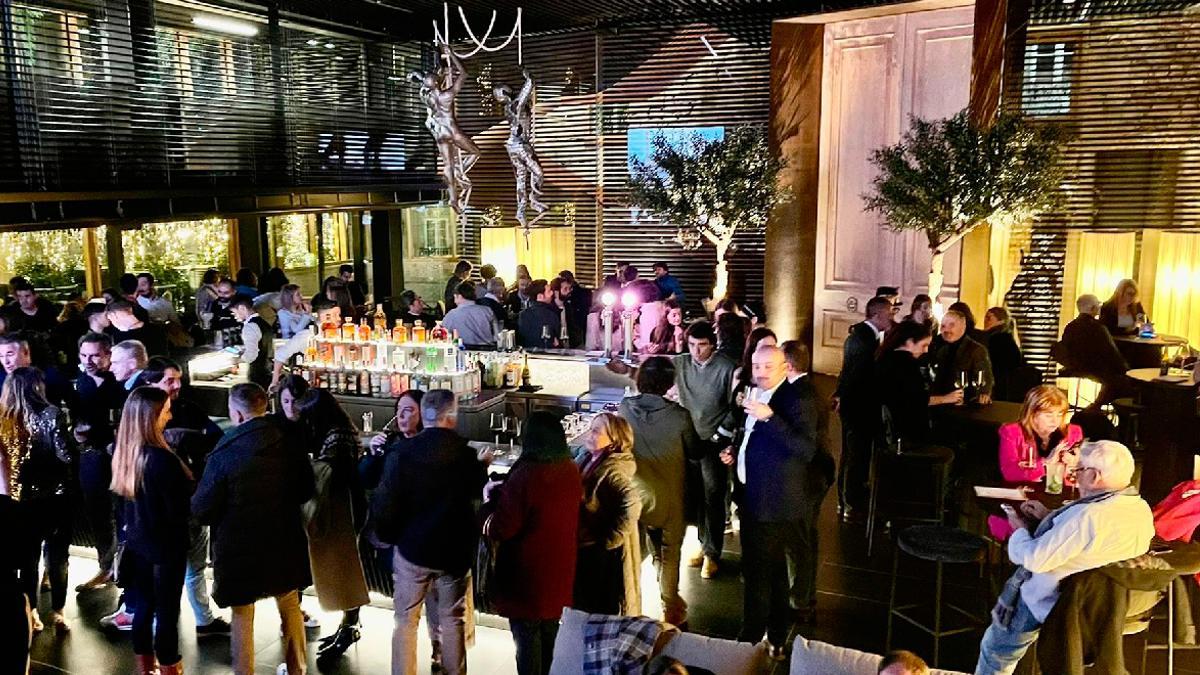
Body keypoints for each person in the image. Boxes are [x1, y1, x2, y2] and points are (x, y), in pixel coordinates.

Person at [974, 440, 1153, 674]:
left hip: (1051, 598)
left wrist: (1018, 528)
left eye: (1079, 471)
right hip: (1098, 605)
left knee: (996, 650)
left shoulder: (1088, 516)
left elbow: (1032, 558)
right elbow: (1088, 545)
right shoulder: (1140, 509)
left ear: (1095, 475)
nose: (1076, 477)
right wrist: (1050, 517)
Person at [192, 383, 315, 675]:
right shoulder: (288, 441)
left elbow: (203, 507)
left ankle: (244, 671)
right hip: (284, 539)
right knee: (289, 602)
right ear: (265, 405)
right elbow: (306, 489)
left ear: (235, 412)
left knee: (242, 612)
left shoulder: (225, 451)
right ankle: (297, 667)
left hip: (239, 546)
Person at [372, 389, 487, 675]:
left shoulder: (402, 453)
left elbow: (386, 502)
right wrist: (482, 468)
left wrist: (388, 538)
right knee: (453, 621)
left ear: (424, 414)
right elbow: (475, 497)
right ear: (452, 415)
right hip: (453, 555)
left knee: (405, 621)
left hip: (412, 551)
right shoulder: (466, 455)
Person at [482, 411, 583, 675]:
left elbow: (503, 528)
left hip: (526, 574)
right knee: (550, 633)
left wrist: (486, 505)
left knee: (526, 640)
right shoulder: (570, 469)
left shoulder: (527, 474)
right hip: (560, 568)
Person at [110, 387, 192, 675]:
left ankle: (145, 668)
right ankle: (170, 666)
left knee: (143, 608)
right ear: (151, 417)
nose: (170, 415)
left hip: (137, 543)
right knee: (168, 612)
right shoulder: (164, 461)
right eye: (166, 410)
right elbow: (180, 512)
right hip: (167, 548)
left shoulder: (124, 455)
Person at [620, 357, 699, 625]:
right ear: (669, 383)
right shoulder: (679, 416)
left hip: (637, 492)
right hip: (670, 496)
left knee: (642, 551)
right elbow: (695, 452)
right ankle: (671, 607)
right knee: (670, 552)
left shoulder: (625, 408)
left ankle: (635, 607)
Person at [296, 389, 370, 660]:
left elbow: (328, 475)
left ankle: (349, 627)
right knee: (344, 568)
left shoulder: (336, 438)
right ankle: (347, 626)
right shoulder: (341, 431)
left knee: (345, 569)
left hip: (342, 510)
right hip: (346, 508)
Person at [1, 367, 74, 634]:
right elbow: (65, 454)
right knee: (57, 557)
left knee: (27, 558)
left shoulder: (3, 418)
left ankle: (31, 612)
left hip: (19, 499)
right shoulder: (52, 414)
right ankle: (58, 611)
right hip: (55, 496)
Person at [671, 321, 737, 580]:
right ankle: (702, 543)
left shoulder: (726, 368)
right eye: (692, 345)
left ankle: (713, 552)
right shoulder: (682, 363)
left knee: (714, 495)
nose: (697, 351)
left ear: (713, 345)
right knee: (696, 495)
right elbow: (653, 371)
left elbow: (735, 405)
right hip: (690, 437)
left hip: (714, 439)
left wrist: (722, 433)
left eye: (702, 346)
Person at [71, 332, 125, 592]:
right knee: (98, 514)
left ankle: (125, 568)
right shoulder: (79, 383)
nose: (88, 360)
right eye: (84, 355)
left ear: (108, 354)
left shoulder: (120, 381)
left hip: (120, 456)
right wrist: (76, 433)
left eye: (94, 355)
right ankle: (106, 566)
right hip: (91, 455)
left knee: (124, 512)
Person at [574, 412, 641, 616]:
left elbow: (632, 504)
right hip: (585, 544)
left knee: (597, 607)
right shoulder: (586, 457)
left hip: (598, 551)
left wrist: (611, 539)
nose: (590, 434)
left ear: (614, 441)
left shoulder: (612, 470)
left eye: (596, 431)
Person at [834, 296, 893, 521]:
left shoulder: (864, 336)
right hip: (859, 408)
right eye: (889, 314)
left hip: (857, 406)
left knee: (856, 454)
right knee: (855, 455)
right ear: (877, 315)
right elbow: (857, 376)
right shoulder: (864, 340)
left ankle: (850, 498)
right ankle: (851, 500)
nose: (891, 318)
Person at [875, 321, 963, 443]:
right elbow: (918, 399)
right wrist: (947, 398)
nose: (926, 350)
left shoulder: (883, 358)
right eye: (924, 345)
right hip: (907, 431)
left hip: (886, 432)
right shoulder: (906, 364)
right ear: (910, 342)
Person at [1055, 294, 1132, 408]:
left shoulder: (1070, 326)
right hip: (1094, 369)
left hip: (1075, 366)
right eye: (1098, 305)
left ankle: (1096, 405)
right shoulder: (1099, 328)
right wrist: (1127, 369)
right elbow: (1112, 354)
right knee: (1122, 380)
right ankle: (1100, 406)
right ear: (1093, 308)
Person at [997, 385, 1082, 484]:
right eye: (1048, 415)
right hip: (1026, 493)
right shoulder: (1011, 432)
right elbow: (1009, 473)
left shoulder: (1073, 433)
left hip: (1061, 494)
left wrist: (1075, 465)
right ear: (1032, 414)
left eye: (1059, 414)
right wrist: (1045, 463)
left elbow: (1080, 478)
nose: (1055, 420)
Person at [928, 309, 994, 405]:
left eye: (952, 325)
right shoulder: (935, 346)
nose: (946, 330)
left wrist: (982, 395)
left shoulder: (976, 350)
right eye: (943, 326)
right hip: (938, 404)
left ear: (963, 327)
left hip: (964, 405)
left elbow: (984, 379)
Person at [982, 307, 1026, 400]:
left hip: (997, 386)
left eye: (989, 318)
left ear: (1000, 321)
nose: (985, 321)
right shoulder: (1009, 339)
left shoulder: (996, 339)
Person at [232, 296, 274, 389]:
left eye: (234, 312)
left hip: (257, 376)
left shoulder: (250, 327)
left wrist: (236, 360)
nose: (234, 316)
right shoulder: (264, 323)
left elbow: (251, 355)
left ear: (242, 308)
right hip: (267, 372)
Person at [442, 280, 498, 348]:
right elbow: (497, 333)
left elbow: (444, 334)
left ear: (459, 296)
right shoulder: (487, 311)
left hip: (463, 351)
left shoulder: (452, 315)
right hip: (488, 350)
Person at [517, 279, 561, 349]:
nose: (552, 293)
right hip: (549, 355)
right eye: (549, 291)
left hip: (528, 356)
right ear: (540, 296)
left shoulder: (522, 315)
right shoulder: (552, 315)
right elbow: (556, 342)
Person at [733, 326, 778, 392]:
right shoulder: (740, 373)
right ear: (752, 349)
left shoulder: (778, 375)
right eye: (764, 348)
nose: (769, 352)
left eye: (773, 347)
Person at [558, 276, 590, 349]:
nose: (568, 291)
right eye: (565, 289)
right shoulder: (553, 309)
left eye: (569, 288)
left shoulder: (569, 305)